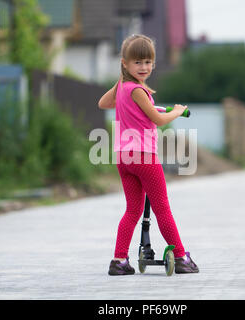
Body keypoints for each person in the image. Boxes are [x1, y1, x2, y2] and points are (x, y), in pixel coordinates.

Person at [98, 34, 199, 275]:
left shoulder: (124, 87)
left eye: (148, 62)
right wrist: (176, 112)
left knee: (132, 210)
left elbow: (104, 103)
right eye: (137, 62)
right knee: (162, 207)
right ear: (125, 63)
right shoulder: (137, 90)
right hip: (143, 156)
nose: (144, 68)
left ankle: (119, 261)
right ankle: (182, 257)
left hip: (124, 157)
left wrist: (120, 81)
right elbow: (158, 119)